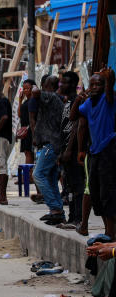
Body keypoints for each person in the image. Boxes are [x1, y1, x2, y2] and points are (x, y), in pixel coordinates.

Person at [76, 68, 116, 238]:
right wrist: (80, 97)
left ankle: (110, 232)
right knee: (95, 190)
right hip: (94, 151)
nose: (94, 87)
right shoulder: (88, 103)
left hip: (109, 148)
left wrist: (108, 79)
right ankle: (108, 231)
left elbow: (108, 92)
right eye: (91, 84)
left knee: (108, 192)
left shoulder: (109, 99)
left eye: (98, 84)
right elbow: (75, 118)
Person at [29, 74, 66, 224]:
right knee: (50, 178)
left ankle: (55, 208)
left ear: (47, 85)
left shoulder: (50, 97)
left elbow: (36, 92)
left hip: (50, 144)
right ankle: (57, 211)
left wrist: (34, 88)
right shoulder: (55, 99)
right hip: (51, 143)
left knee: (38, 174)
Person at [58, 71, 84, 227]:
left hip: (73, 150)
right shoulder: (67, 102)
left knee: (77, 184)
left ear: (73, 84)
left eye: (66, 82)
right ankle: (72, 216)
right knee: (69, 185)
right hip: (65, 149)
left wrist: (68, 149)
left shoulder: (77, 101)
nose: (62, 85)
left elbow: (76, 126)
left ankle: (78, 218)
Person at [17, 79, 36, 164]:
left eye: (27, 88)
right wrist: (20, 101)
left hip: (30, 129)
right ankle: (28, 175)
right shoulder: (25, 101)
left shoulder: (34, 100)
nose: (25, 91)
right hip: (24, 130)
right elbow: (19, 114)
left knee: (29, 152)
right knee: (27, 152)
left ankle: (28, 175)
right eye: (24, 89)